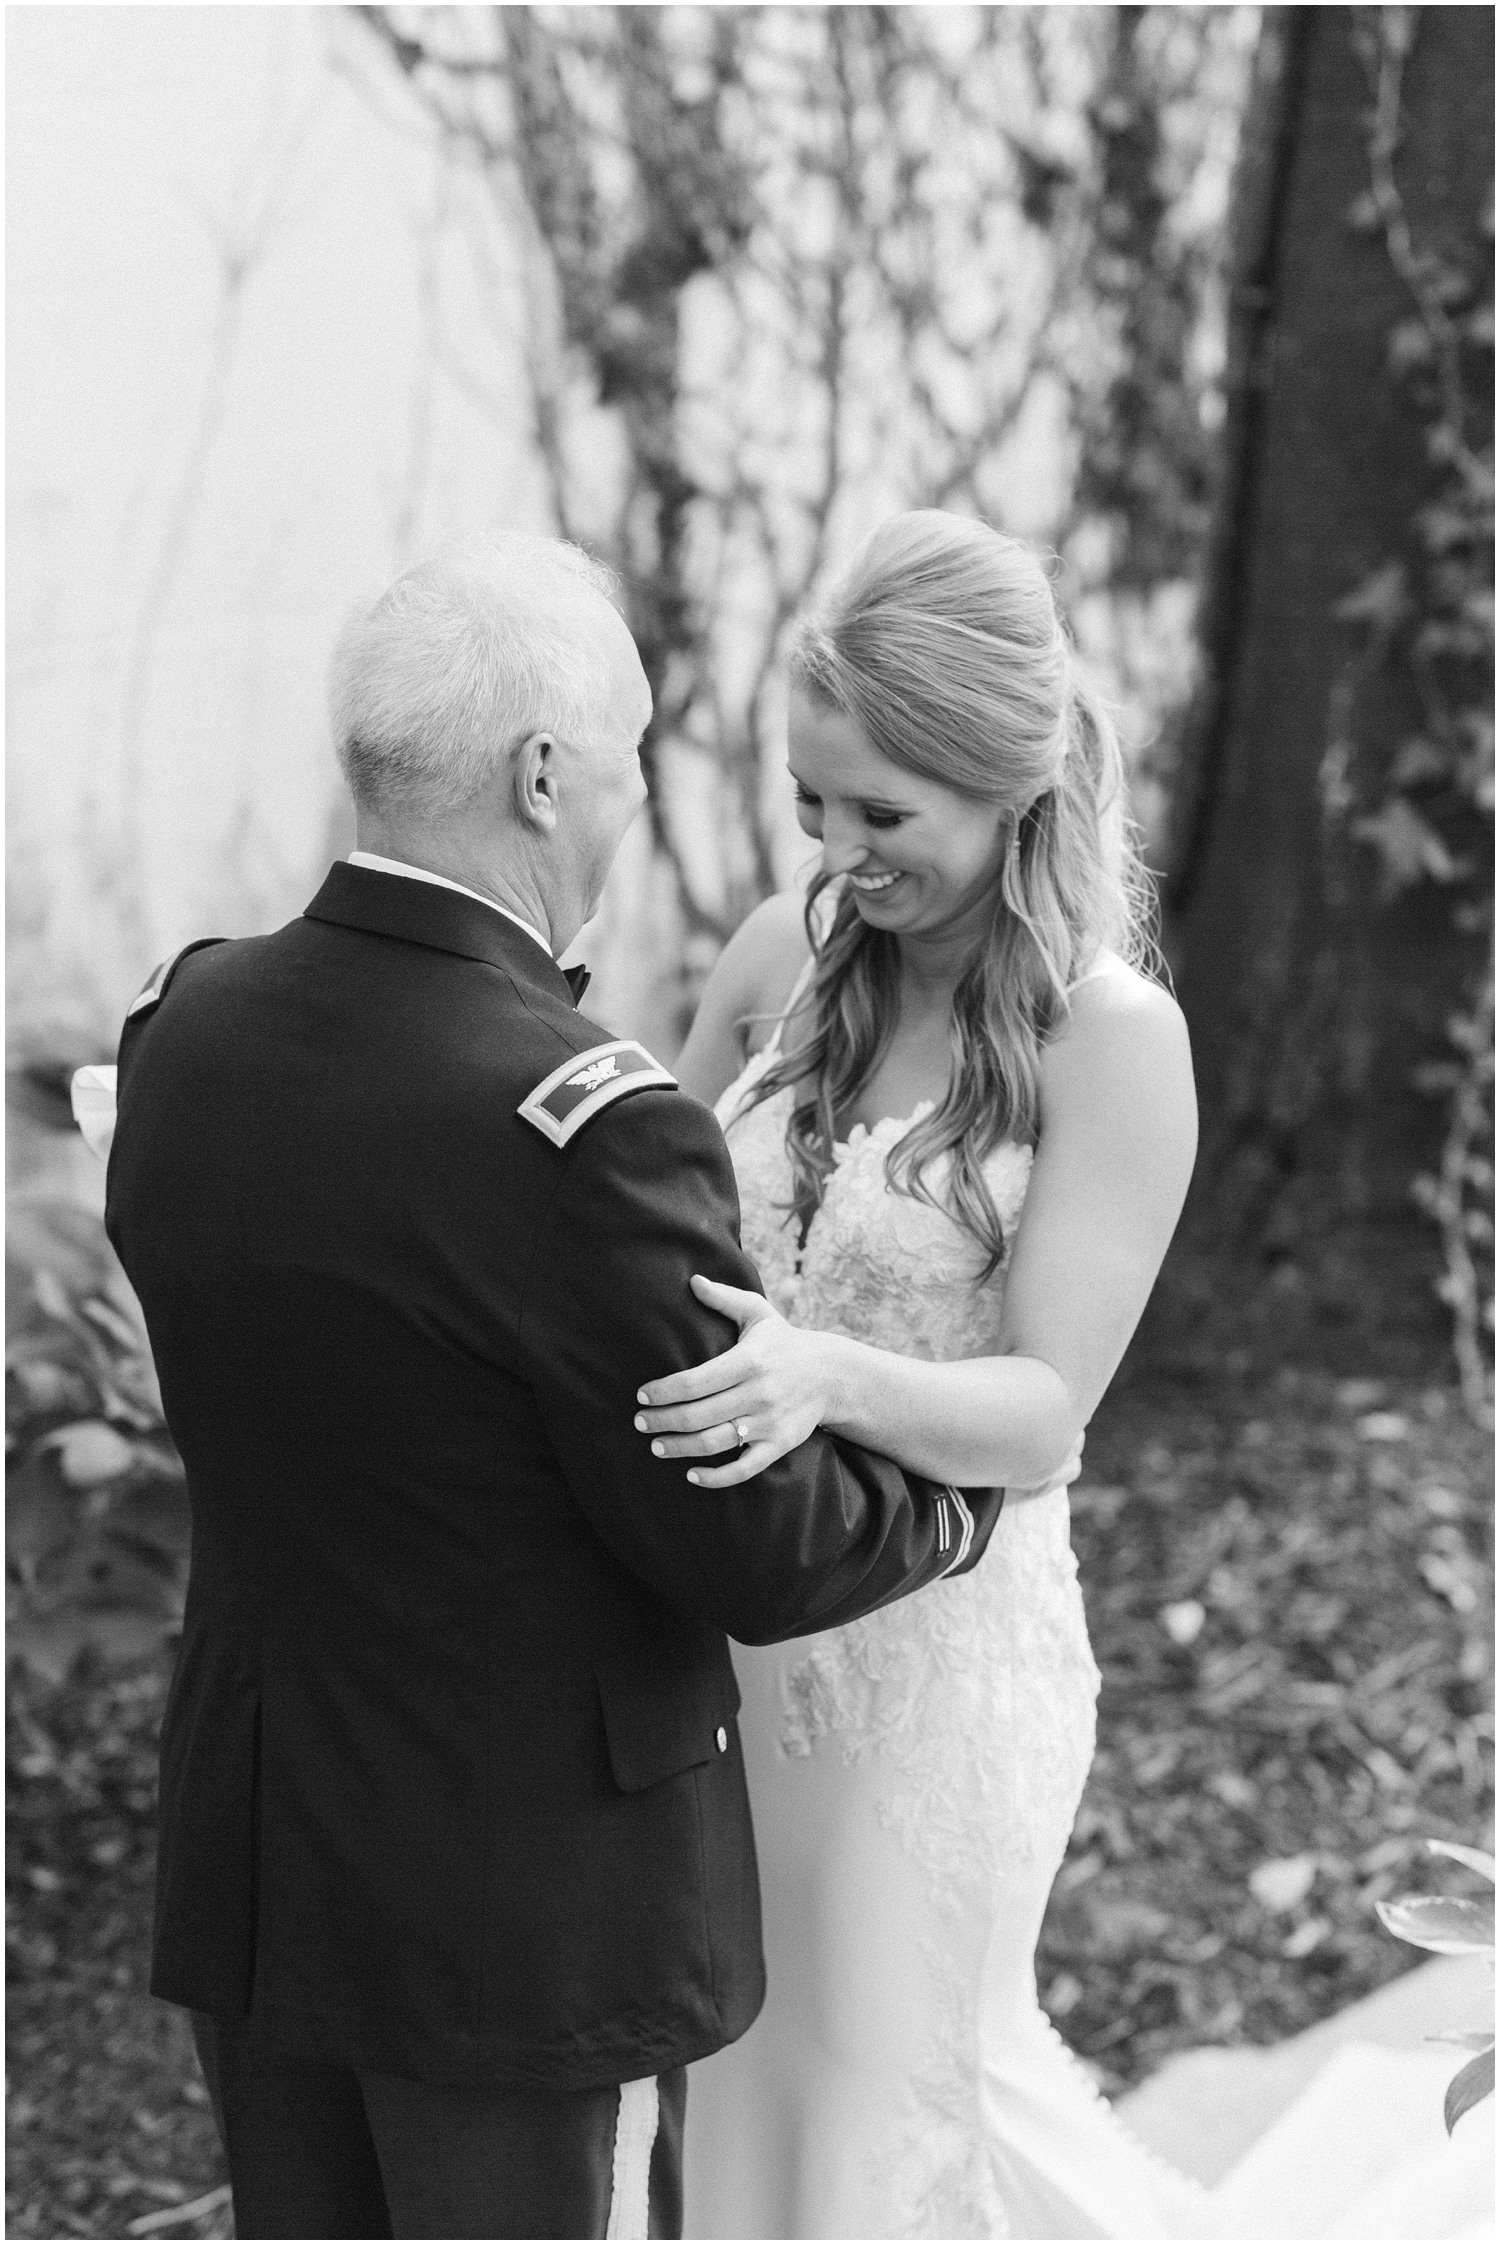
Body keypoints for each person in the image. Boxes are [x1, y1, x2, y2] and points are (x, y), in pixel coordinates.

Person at [87, 537, 1021, 2241]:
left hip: (261, 1856)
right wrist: (965, 1500)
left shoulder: (183, 1031)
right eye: (631, 755)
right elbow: (745, 1541)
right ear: (539, 773)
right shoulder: (578, 1125)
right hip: (518, 1916)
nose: (631, 799)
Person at [642, 510, 1212, 2237]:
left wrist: (825, 1375)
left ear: (1011, 790)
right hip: (724, 1647)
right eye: (814, 800)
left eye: (885, 812)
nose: (837, 849)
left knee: (894, 2093)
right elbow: (640, 1265)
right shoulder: (773, 965)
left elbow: (1046, 1413)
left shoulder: (1110, 1045)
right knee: (745, 2084)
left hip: (933, 1682)